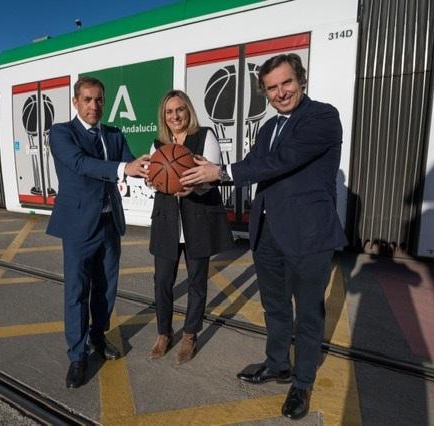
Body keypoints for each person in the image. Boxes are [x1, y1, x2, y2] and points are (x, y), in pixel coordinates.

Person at [180, 54, 347, 420]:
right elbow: (254, 165)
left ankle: (301, 383)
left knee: (307, 314)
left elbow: (280, 161)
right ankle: (277, 364)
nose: (280, 92)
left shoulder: (322, 117)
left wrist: (221, 171)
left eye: (286, 83)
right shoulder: (268, 128)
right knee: (274, 306)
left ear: (301, 79)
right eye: (272, 87)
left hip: (308, 234)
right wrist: (196, 182)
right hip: (268, 231)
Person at [47, 76, 150, 389]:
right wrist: (122, 169)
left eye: (99, 100)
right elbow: (80, 164)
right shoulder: (62, 133)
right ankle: (77, 356)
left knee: (106, 287)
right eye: (88, 100)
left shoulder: (114, 134)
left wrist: (159, 167)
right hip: (78, 226)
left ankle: (97, 336)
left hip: (108, 224)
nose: (94, 106)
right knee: (77, 291)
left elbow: (133, 163)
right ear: (76, 102)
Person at [147, 90, 233, 365]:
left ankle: (190, 335)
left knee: (197, 282)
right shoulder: (158, 144)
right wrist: (154, 181)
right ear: (164, 116)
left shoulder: (204, 136)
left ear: (188, 111)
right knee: (162, 282)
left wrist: (194, 186)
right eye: (169, 112)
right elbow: (156, 180)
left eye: (180, 110)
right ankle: (163, 333)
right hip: (166, 222)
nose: (175, 116)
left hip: (197, 220)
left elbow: (213, 176)